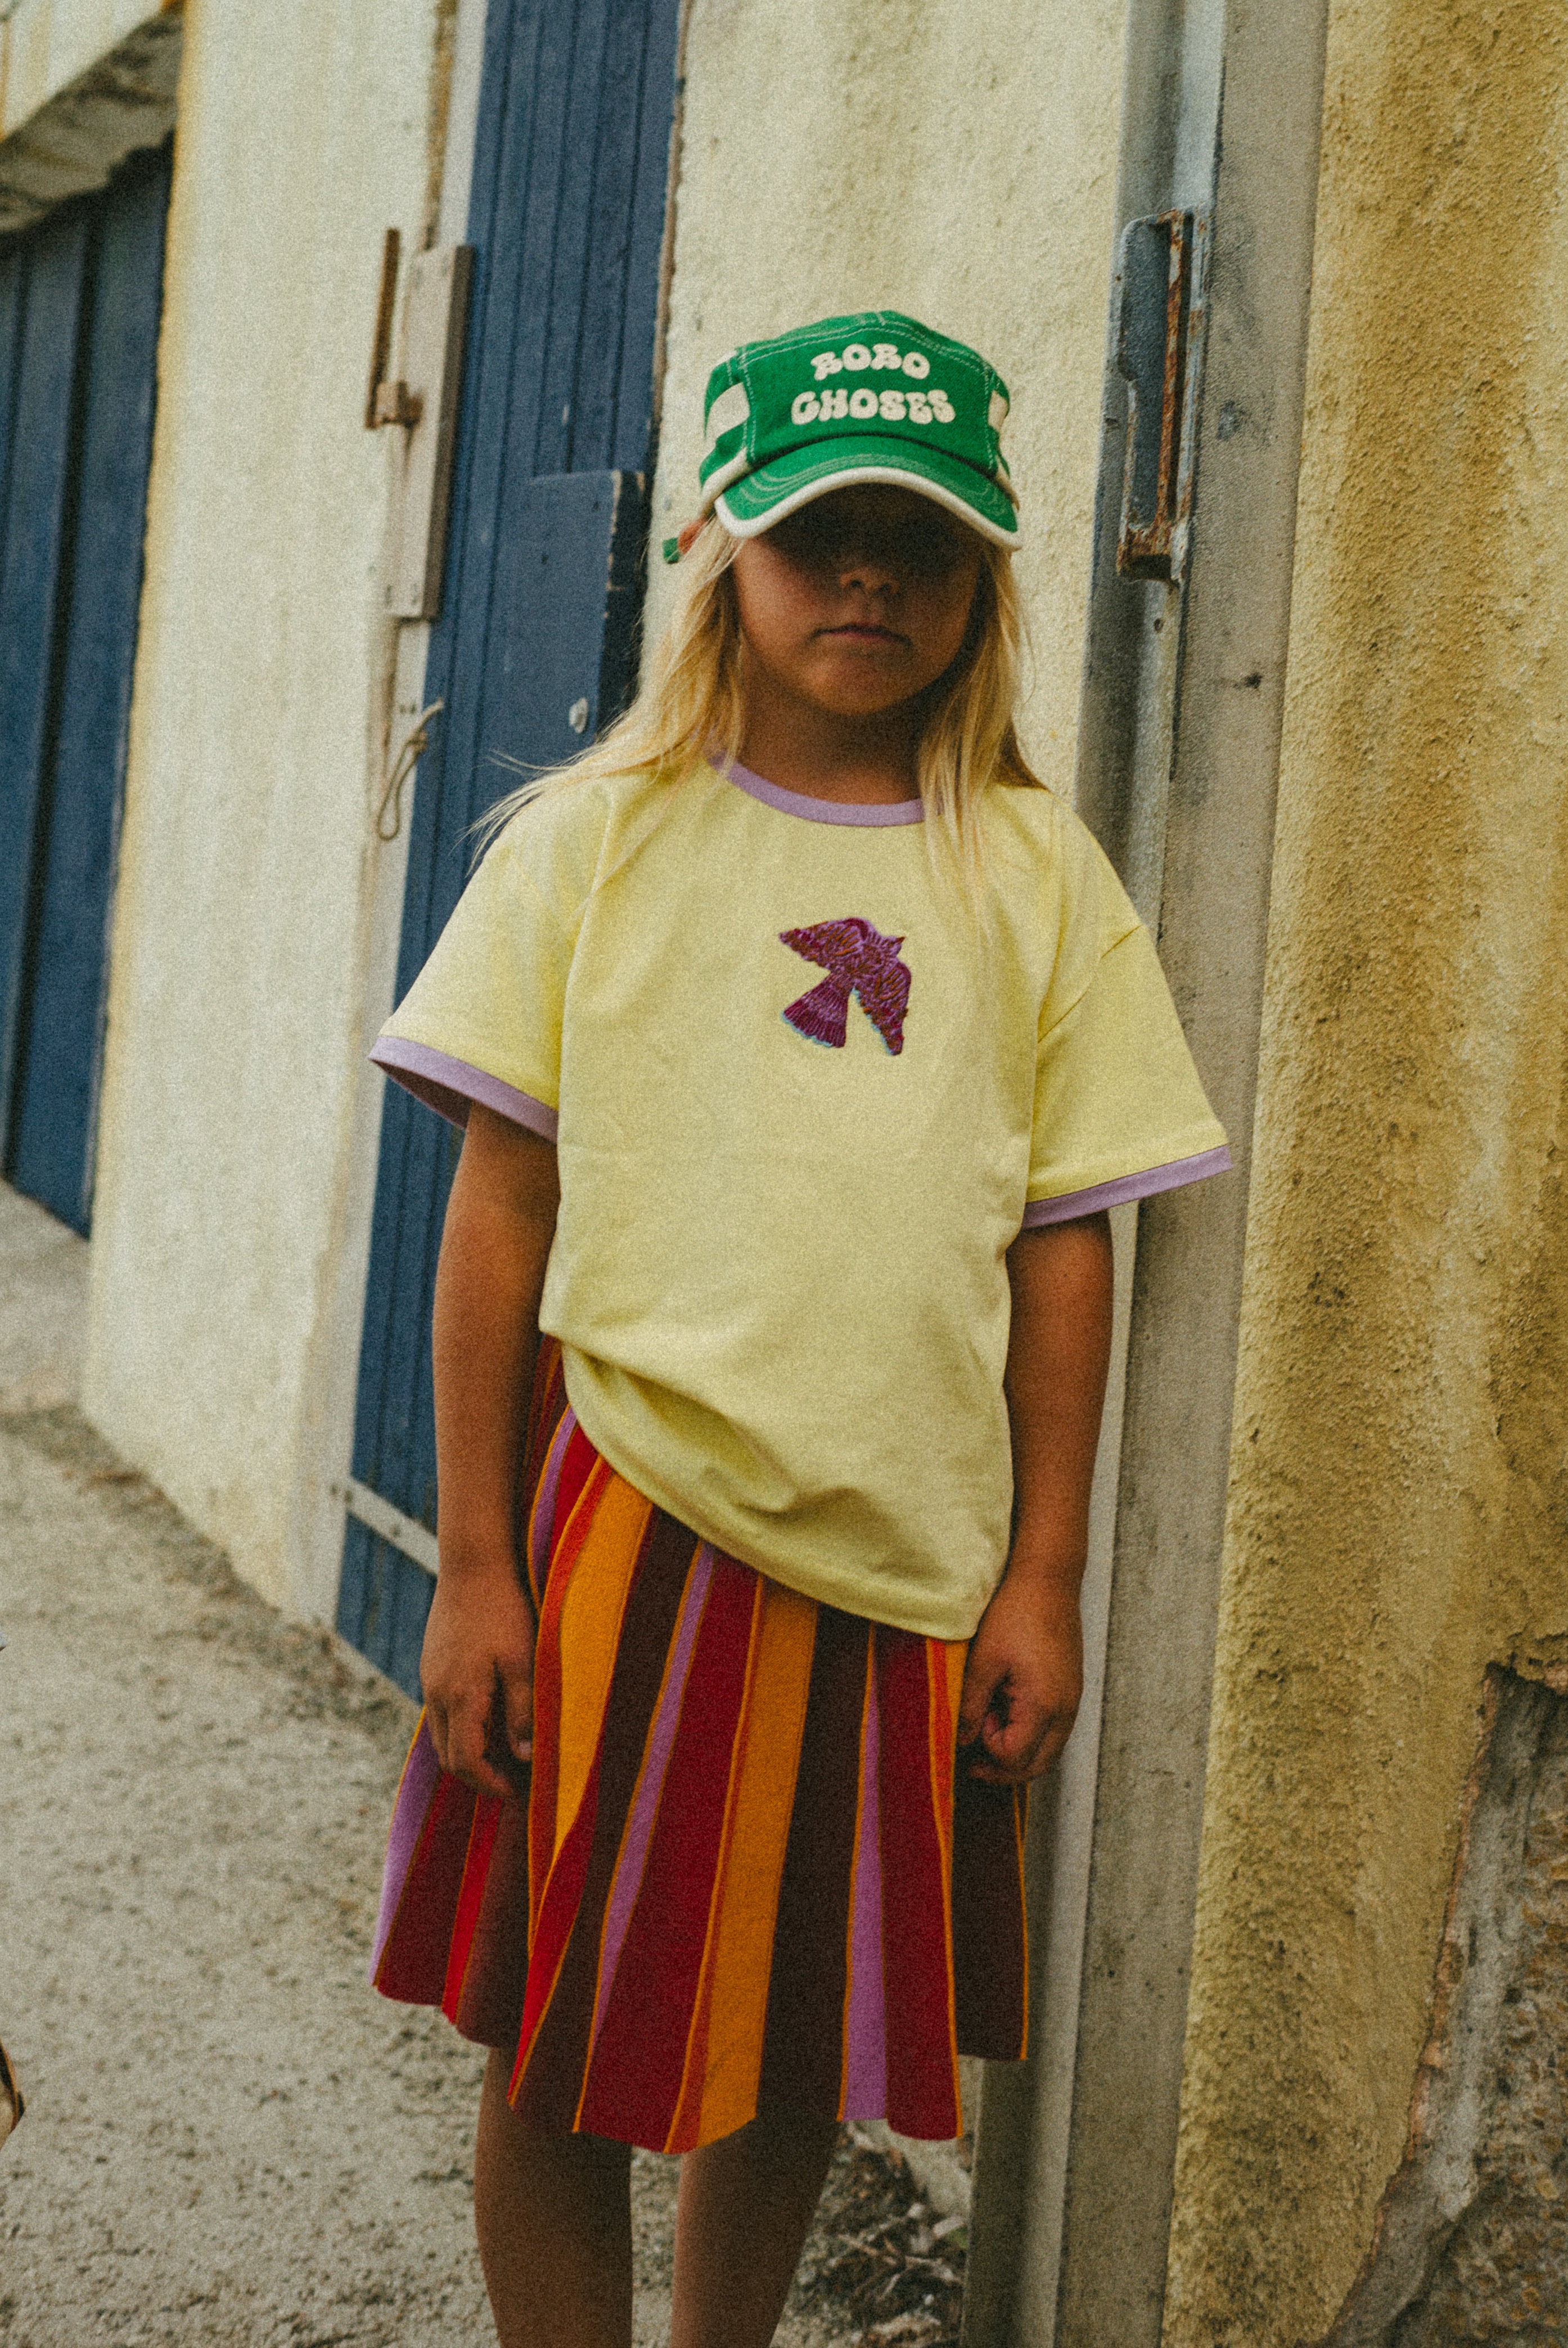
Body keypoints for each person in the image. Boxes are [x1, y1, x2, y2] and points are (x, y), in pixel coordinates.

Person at [365, 309, 1229, 2348]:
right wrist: (476, 1563)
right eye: (818, 532)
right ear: (720, 552)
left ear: (981, 581)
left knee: (790, 2043)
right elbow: (501, 1210)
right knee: (557, 2039)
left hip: (902, 1564)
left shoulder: (1035, 876)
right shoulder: (592, 841)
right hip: (620, 1529)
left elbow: (1065, 1252)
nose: (865, 578)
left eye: (919, 543)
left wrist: (1041, 1578)